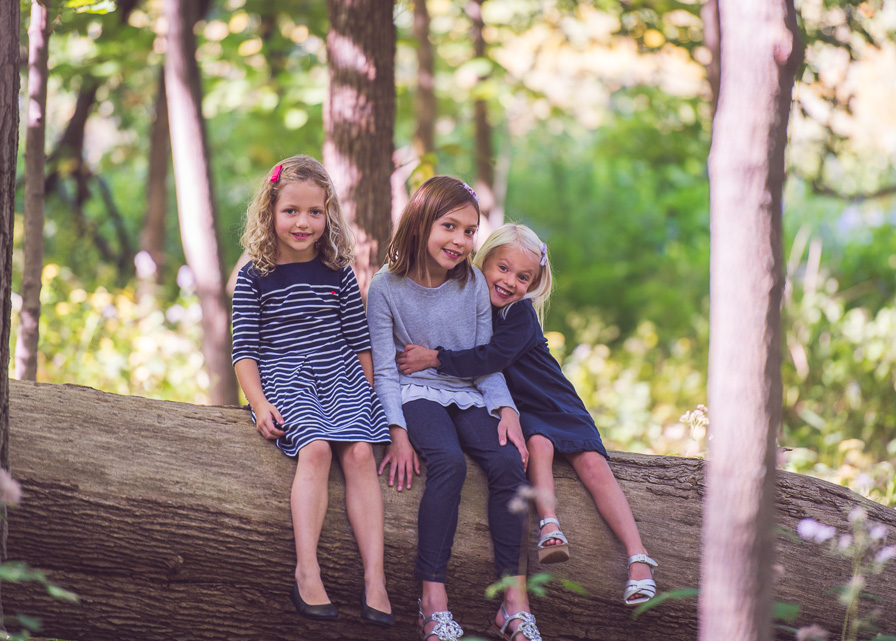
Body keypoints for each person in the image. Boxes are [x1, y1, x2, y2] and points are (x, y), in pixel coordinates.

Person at [398, 223, 659, 607]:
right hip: (523, 412)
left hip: (557, 404)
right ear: (482, 261)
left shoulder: (518, 313)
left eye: (523, 277)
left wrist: (436, 357)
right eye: (502, 269)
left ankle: (639, 559)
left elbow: (492, 359)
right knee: (535, 446)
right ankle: (549, 524)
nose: (510, 282)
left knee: (593, 467)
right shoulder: (467, 305)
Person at [368, 177, 544, 641]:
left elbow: (486, 363)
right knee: (447, 462)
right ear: (422, 221)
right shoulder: (386, 287)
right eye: (450, 226)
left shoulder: (471, 286)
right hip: (415, 393)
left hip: (467, 392)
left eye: (470, 231)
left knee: (508, 463)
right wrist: (397, 432)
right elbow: (385, 371)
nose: (461, 240)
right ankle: (432, 602)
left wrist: (506, 410)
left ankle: (513, 604)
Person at [232, 155, 394, 627]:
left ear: (328, 215)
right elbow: (245, 351)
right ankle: (307, 570)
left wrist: (370, 398)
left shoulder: (338, 269)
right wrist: (259, 403)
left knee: (361, 454)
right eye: (291, 211)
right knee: (318, 449)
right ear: (270, 212)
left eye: (314, 213)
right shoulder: (253, 276)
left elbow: (359, 341)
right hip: (285, 376)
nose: (303, 222)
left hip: (341, 374)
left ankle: (376, 578)